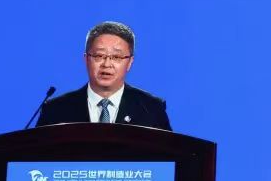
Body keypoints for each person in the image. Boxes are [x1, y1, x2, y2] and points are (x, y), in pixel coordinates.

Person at [36, 21, 172, 130]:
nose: (107, 64)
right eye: (99, 56)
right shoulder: (55, 110)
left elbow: (169, 155)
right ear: (86, 59)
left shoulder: (151, 109)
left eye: (117, 57)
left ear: (130, 62)